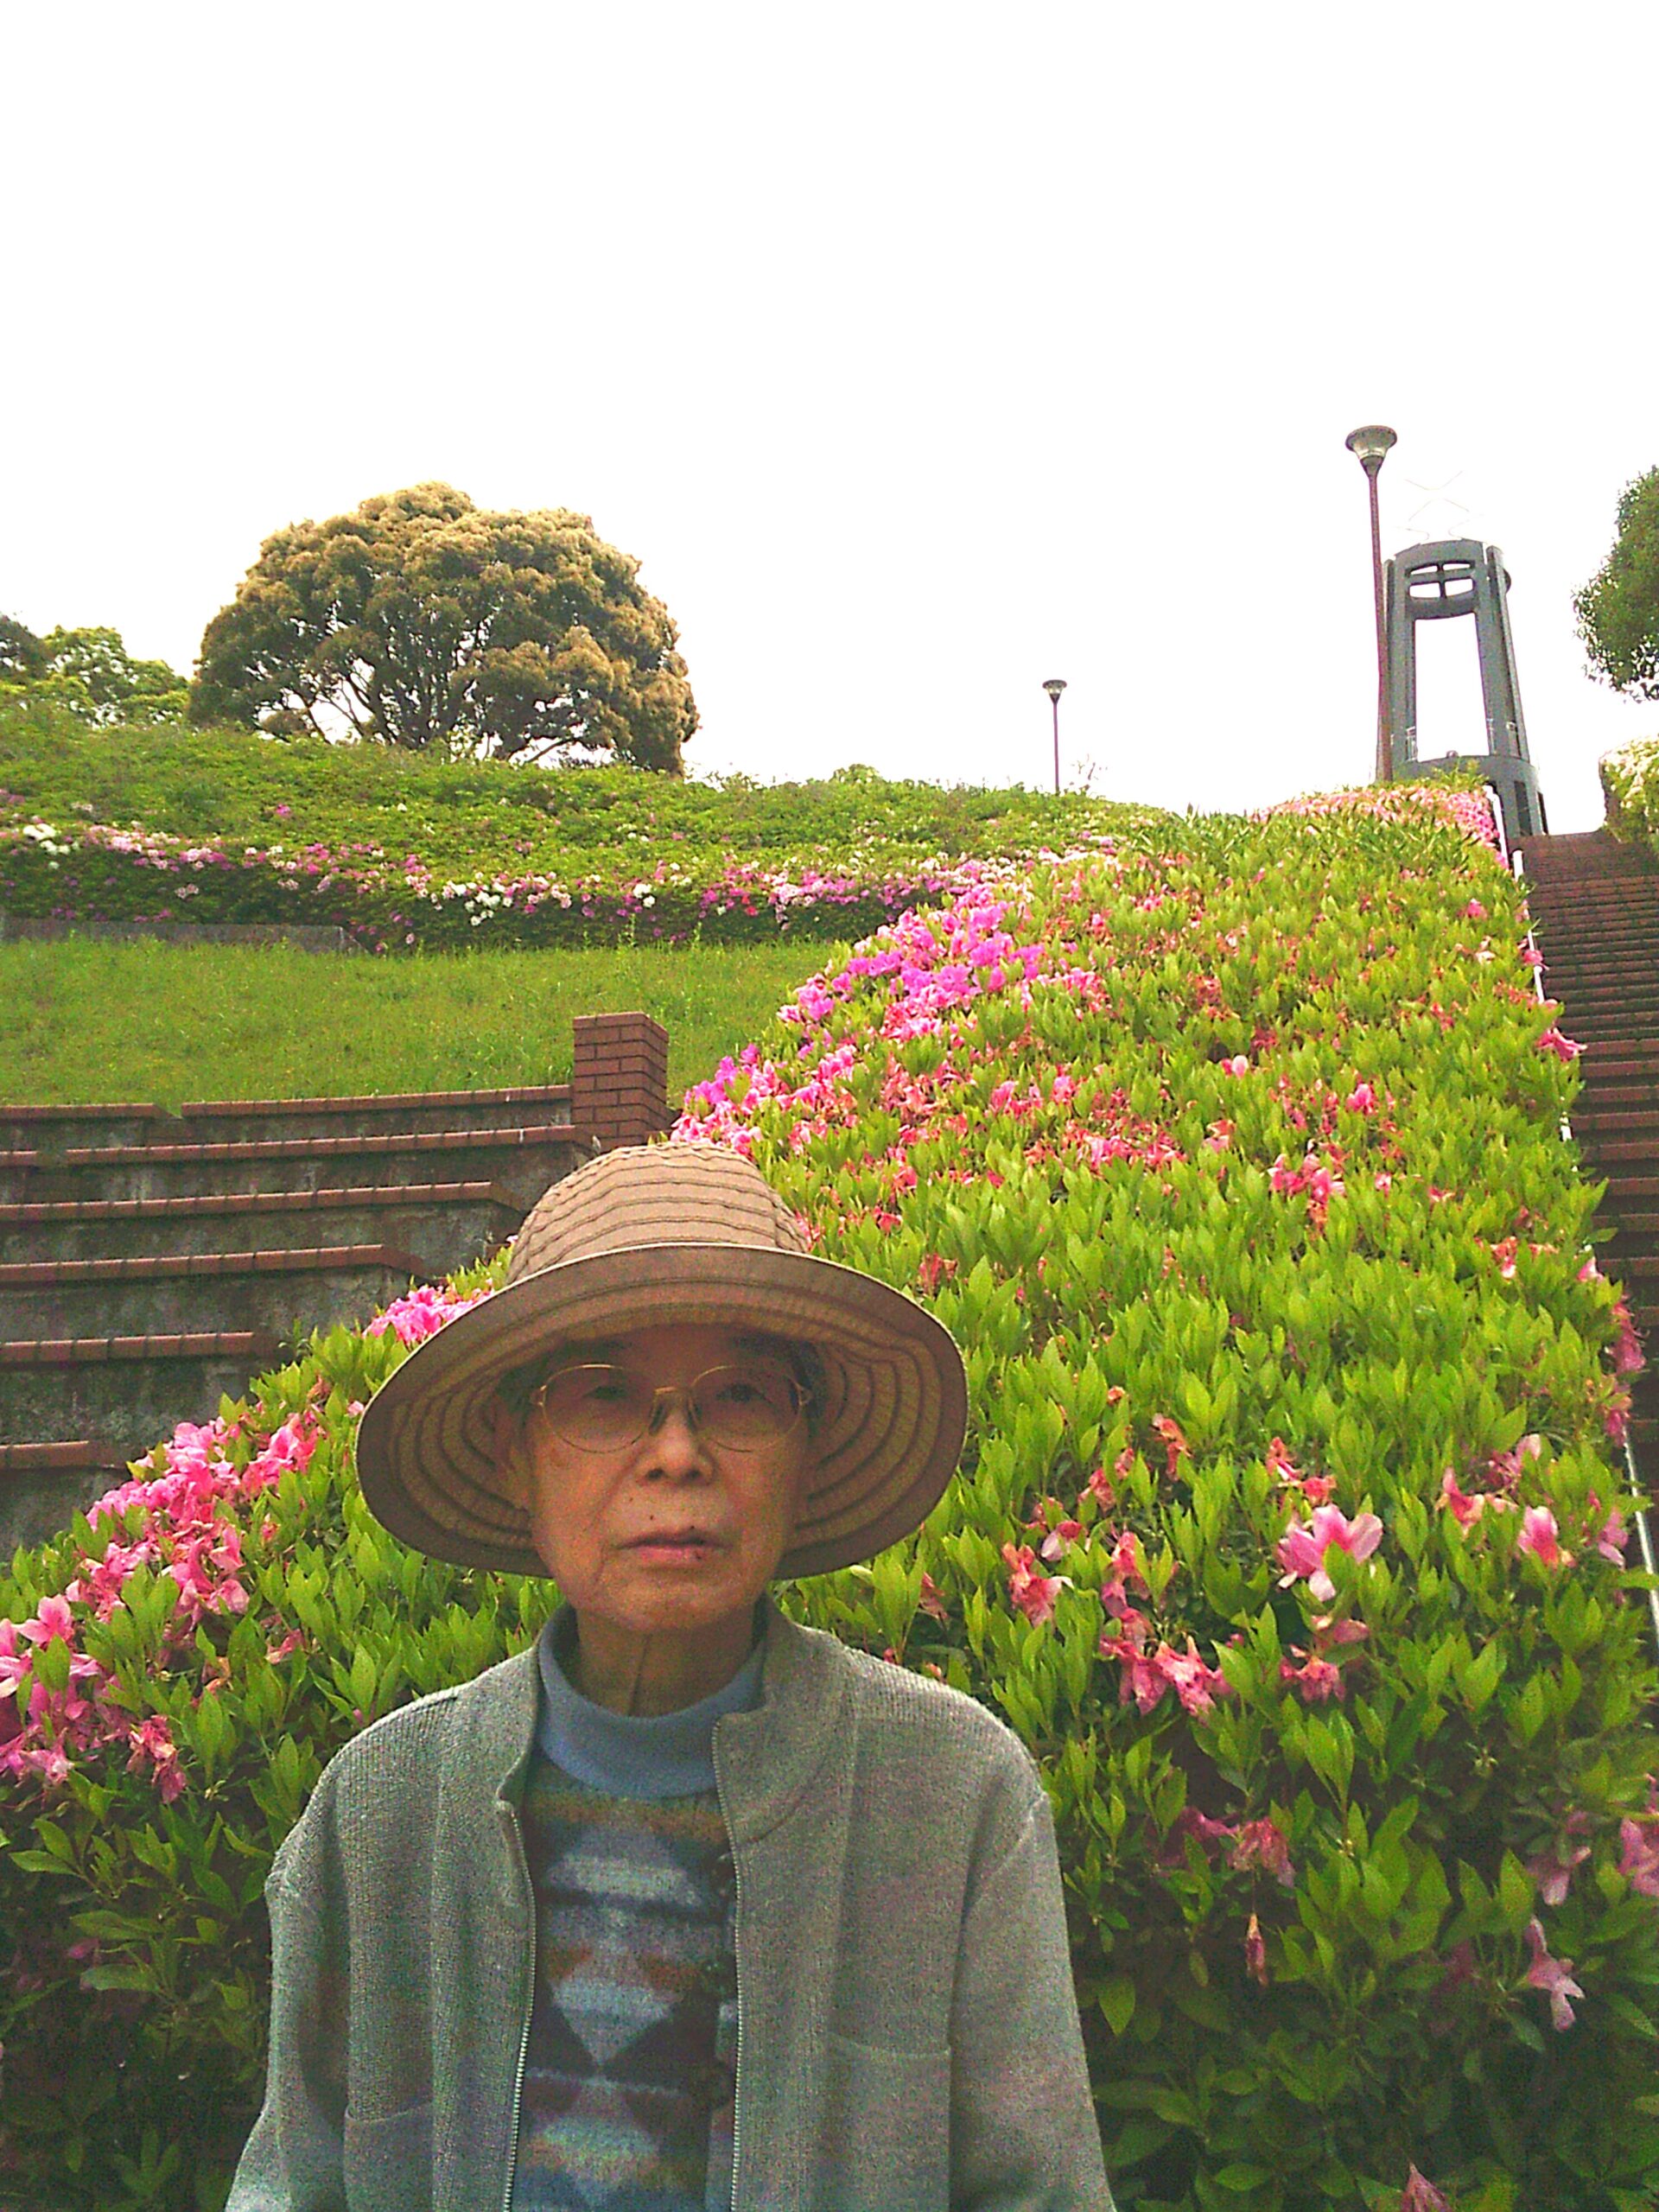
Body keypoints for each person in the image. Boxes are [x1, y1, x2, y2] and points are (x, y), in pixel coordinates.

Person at [226, 1139, 1114, 2211]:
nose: (678, 1453)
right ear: (513, 1453)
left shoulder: (953, 1794)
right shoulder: (379, 1812)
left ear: (807, 1449)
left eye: (741, 1395)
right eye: (603, 1395)